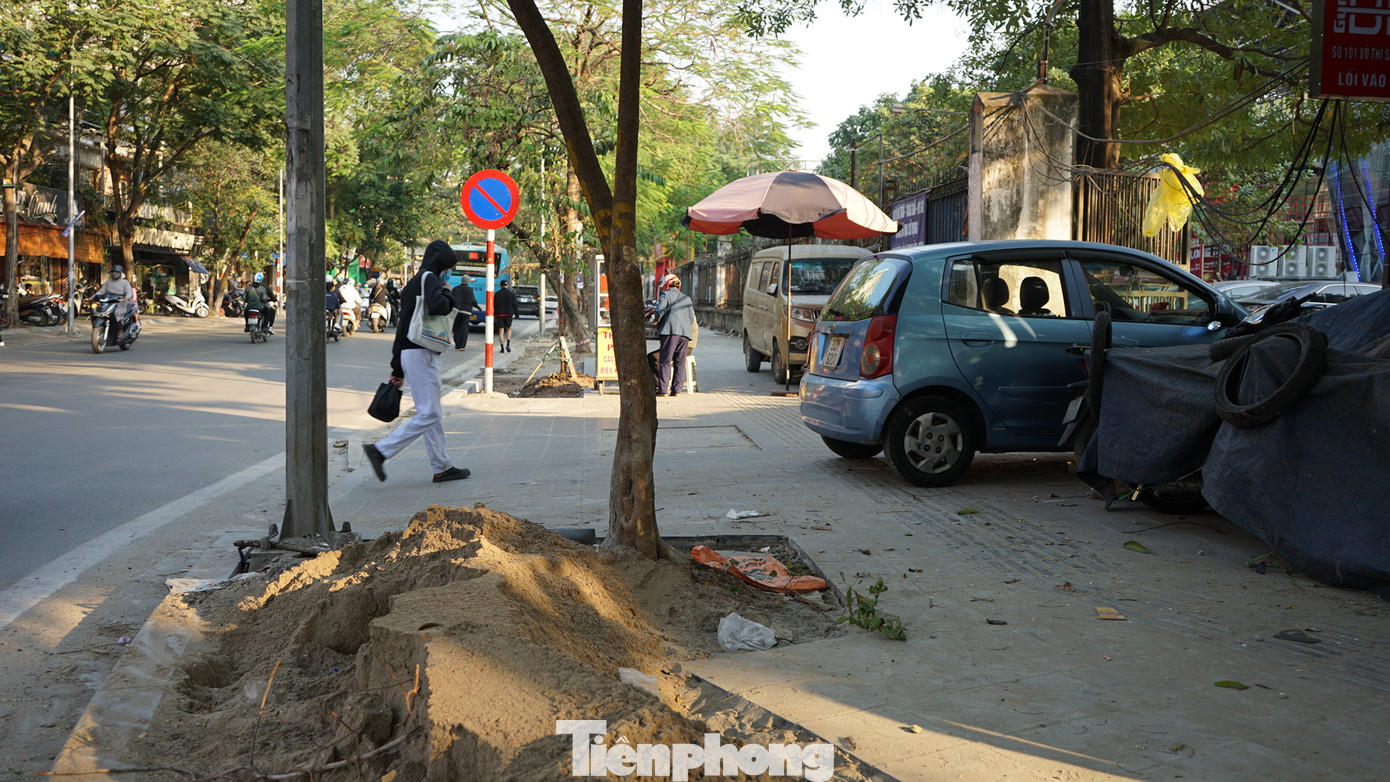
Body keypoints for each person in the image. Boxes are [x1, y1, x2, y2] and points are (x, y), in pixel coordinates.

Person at [362, 239, 470, 483]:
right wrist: (448, 294)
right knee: (430, 413)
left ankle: (442, 466)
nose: (447, 271)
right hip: (422, 352)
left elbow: (403, 326)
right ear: (441, 262)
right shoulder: (430, 279)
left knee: (429, 412)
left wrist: (397, 366)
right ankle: (380, 450)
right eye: (447, 266)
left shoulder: (415, 281)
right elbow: (437, 307)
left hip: (410, 353)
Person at [651, 274, 695, 396]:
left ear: (666, 285)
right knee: (679, 362)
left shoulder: (665, 295)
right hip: (685, 334)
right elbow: (691, 319)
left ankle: (663, 390)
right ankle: (676, 390)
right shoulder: (687, 298)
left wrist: (657, 320)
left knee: (665, 361)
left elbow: (659, 310)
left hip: (670, 332)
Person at [96, 265, 138, 339]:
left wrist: (125, 298)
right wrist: (93, 297)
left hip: (120, 302)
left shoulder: (125, 282)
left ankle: (120, 331)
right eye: (113, 272)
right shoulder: (108, 282)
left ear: (120, 273)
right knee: (99, 312)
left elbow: (129, 293)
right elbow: (101, 291)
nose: (115, 273)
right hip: (109, 301)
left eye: (117, 272)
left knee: (117, 314)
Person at [452, 274, 478, 350]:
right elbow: (473, 300)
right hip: (467, 311)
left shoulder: (456, 289)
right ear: (468, 282)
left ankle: (457, 344)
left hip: (457, 311)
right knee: (464, 329)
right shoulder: (470, 290)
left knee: (457, 327)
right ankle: (462, 346)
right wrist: (477, 307)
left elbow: (452, 299)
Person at [494, 278, 517, 352]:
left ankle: (501, 348)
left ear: (500, 285)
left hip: (499, 314)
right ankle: (508, 344)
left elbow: (494, 304)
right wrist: (516, 314)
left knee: (501, 330)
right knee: (509, 328)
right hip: (508, 314)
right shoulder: (511, 294)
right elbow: (515, 304)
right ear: (507, 285)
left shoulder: (497, 294)